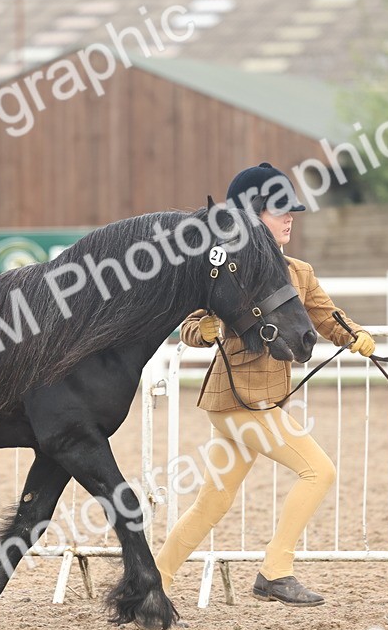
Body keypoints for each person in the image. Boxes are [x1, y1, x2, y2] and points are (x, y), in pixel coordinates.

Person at [154, 163, 376, 607]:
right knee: (319, 471)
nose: (290, 218)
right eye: (280, 211)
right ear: (252, 216)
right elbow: (190, 328)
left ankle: (154, 580)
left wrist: (353, 335)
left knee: (211, 503)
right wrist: (209, 330)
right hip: (239, 401)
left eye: (291, 211)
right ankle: (276, 571)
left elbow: (323, 314)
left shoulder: (298, 271)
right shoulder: (229, 269)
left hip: (255, 402)